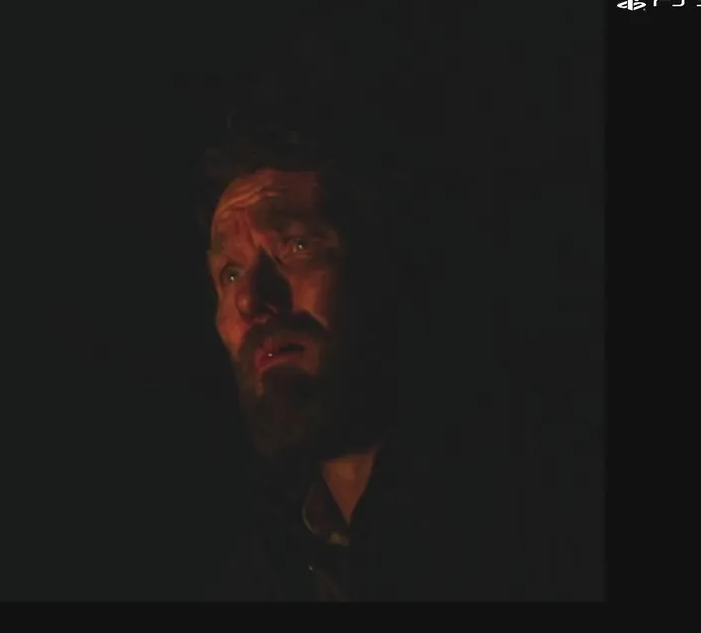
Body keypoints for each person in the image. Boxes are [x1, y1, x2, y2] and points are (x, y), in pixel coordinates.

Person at [198, 127, 528, 601]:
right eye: (229, 273)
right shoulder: (266, 572)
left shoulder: (526, 509)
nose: (249, 299)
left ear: (384, 266)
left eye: (296, 245)